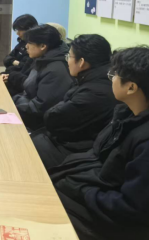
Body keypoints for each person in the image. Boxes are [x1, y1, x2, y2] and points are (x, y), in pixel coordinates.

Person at [50, 46, 149, 240]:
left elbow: (132, 210)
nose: (111, 79)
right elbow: (99, 156)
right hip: (97, 196)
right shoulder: (128, 114)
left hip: (114, 225)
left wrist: (82, 190)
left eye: (114, 75)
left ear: (131, 87)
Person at [32, 35, 120, 169]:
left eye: (69, 56)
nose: (67, 61)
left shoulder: (93, 93)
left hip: (78, 152)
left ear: (81, 62)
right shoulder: (100, 77)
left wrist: (61, 104)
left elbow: (53, 119)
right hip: (79, 143)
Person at [13, 25, 73, 131]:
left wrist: (14, 103)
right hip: (27, 109)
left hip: (39, 124)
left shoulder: (55, 69)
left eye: (29, 43)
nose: (26, 46)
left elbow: (40, 107)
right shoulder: (43, 60)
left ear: (42, 46)